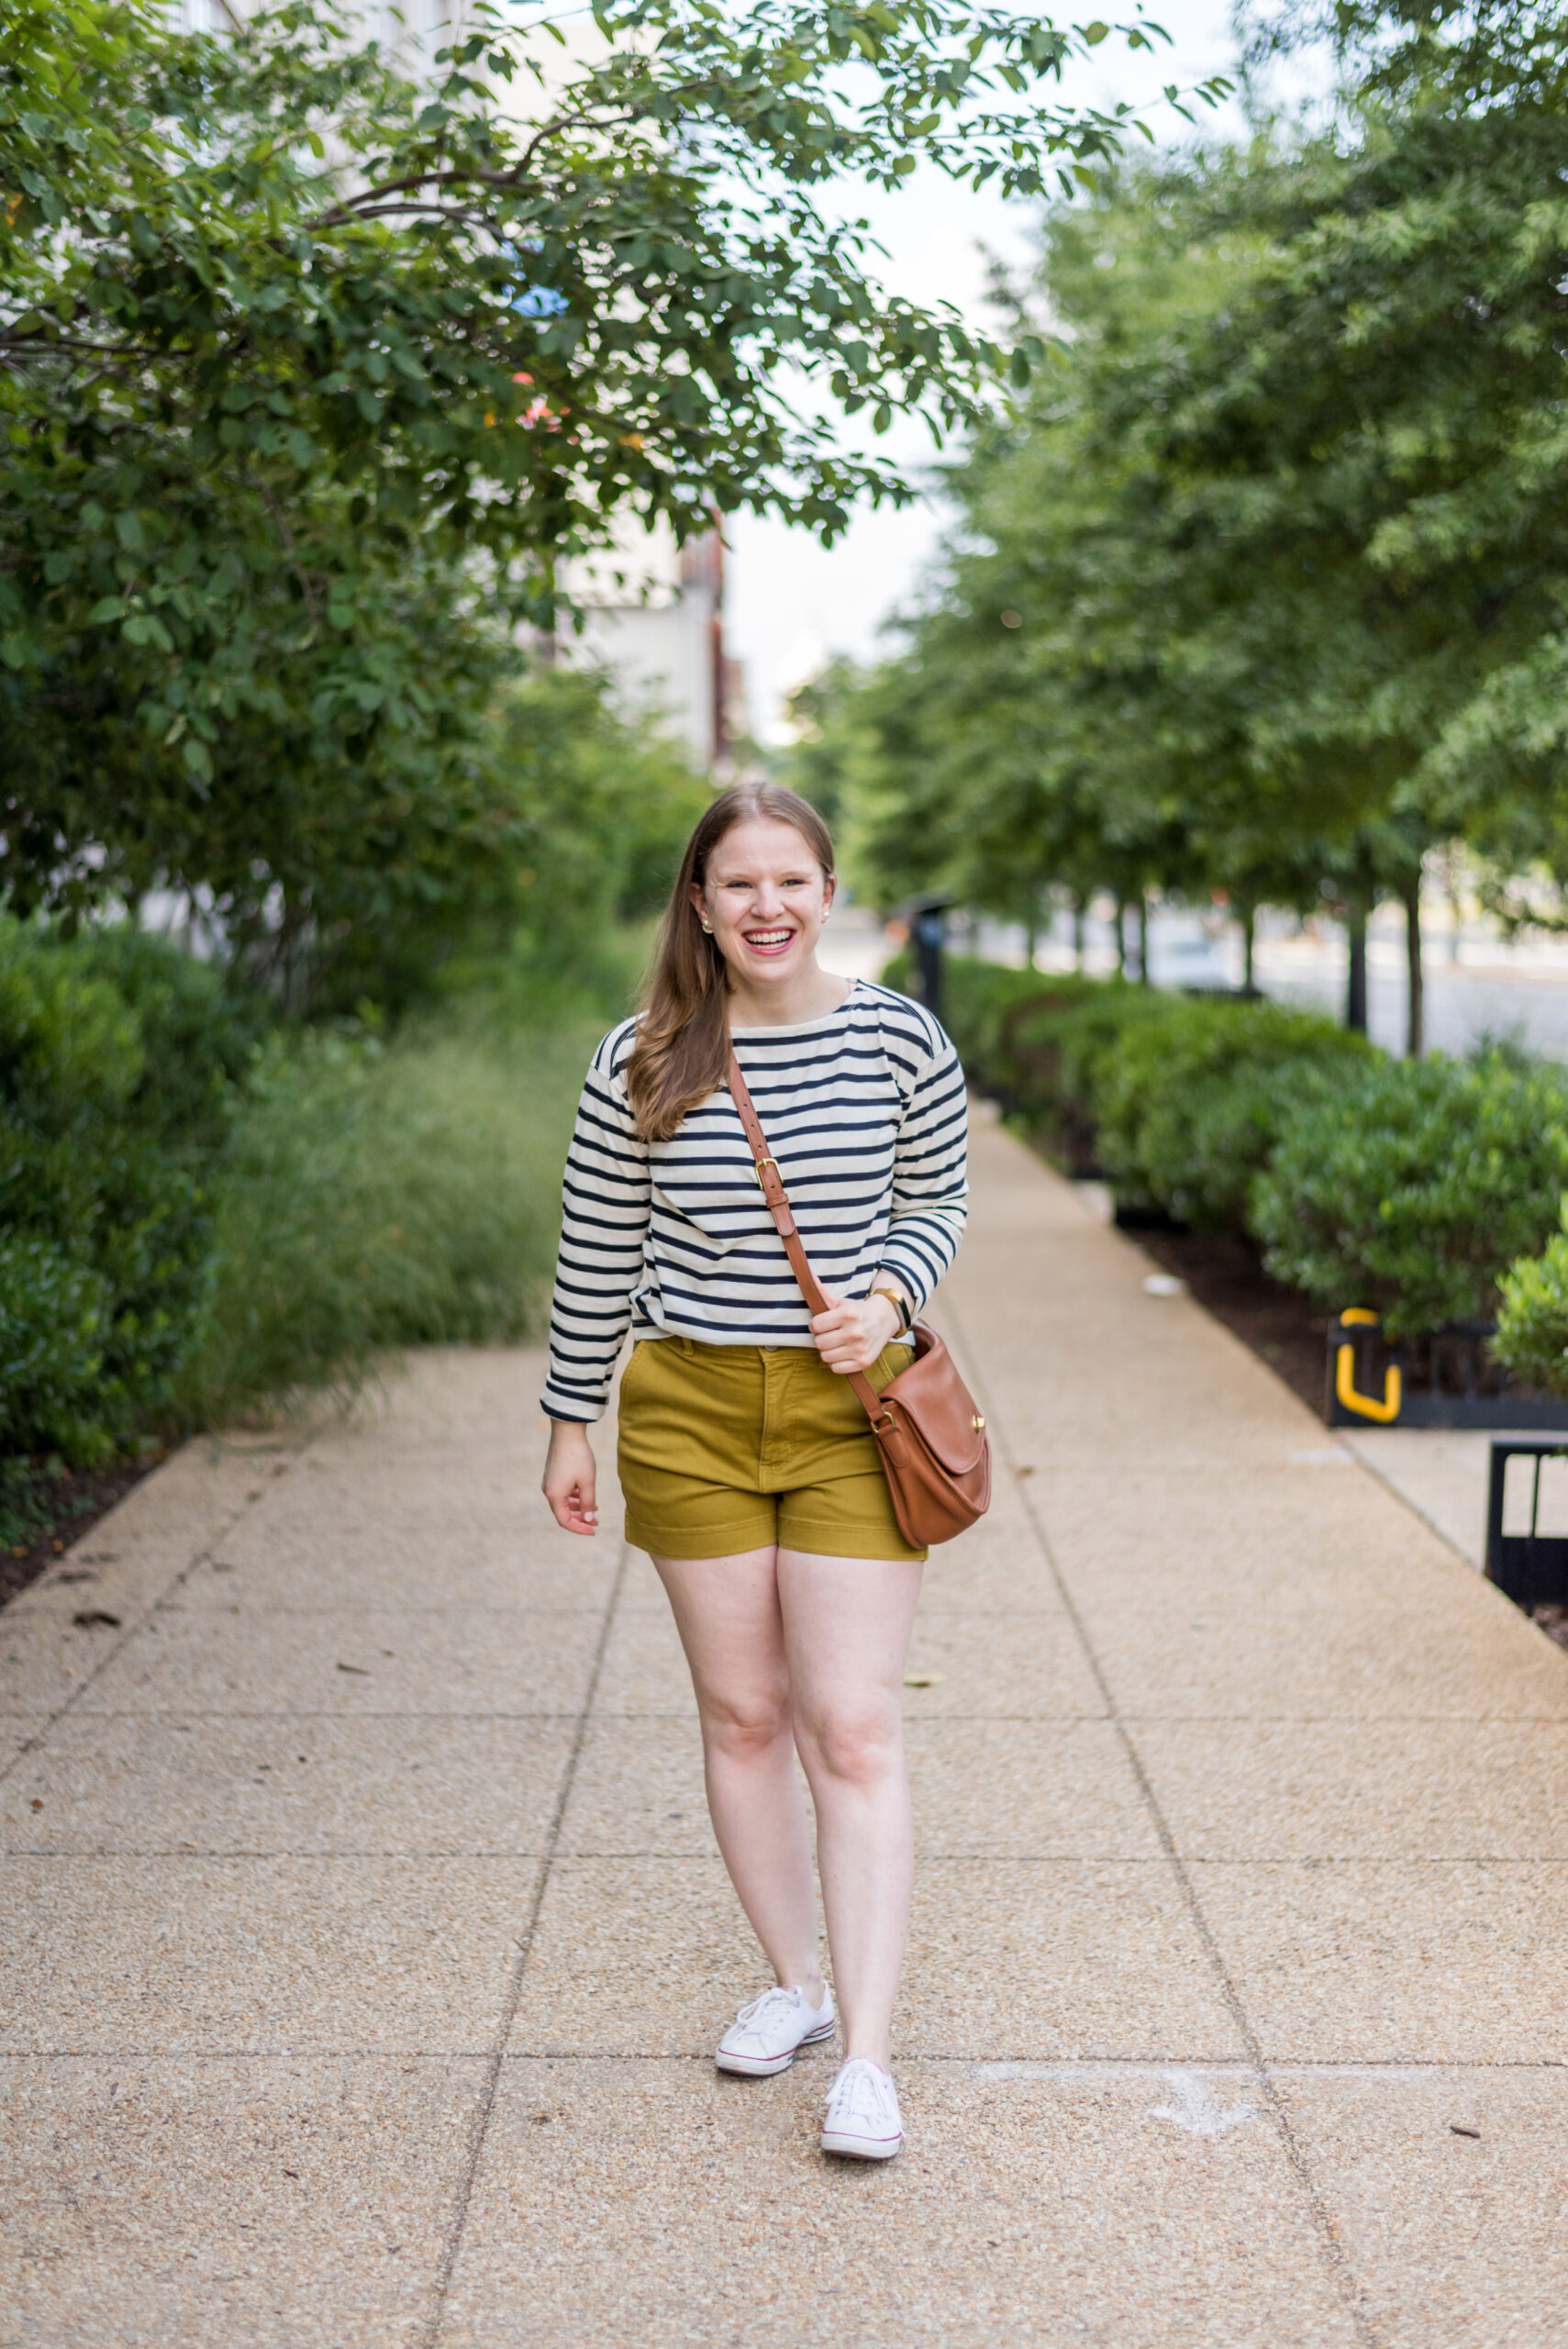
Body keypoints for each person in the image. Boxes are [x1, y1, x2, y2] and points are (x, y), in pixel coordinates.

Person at [540, 782, 968, 2161]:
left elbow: (935, 1196)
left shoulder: (897, 1038)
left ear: (827, 891)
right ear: (700, 902)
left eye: (789, 880)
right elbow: (597, 1246)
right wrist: (568, 1418)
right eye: (737, 884)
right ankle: (790, 1983)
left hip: (851, 1409)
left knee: (849, 1725)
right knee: (739, 1716)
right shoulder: (644, 1055)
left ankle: (868, 2056)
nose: (765, 907)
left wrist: (889, 1298)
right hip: (691, 1409)